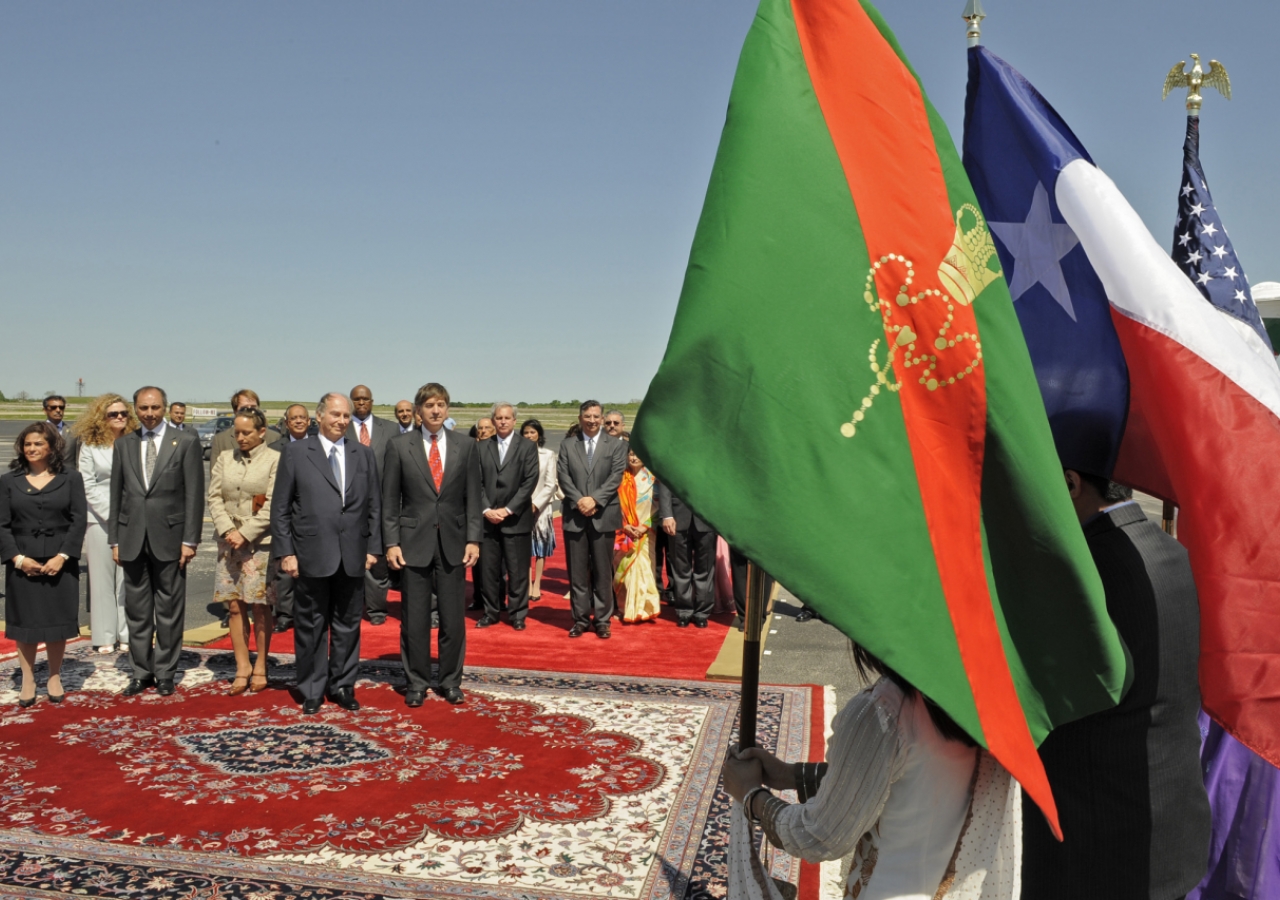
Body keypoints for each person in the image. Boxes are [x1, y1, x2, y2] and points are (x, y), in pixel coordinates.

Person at [1021, 472, 1211, 899]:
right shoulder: (1171, 551)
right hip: (1168, 828)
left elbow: (1043, 695)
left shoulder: (1087, 570)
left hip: (1098, 848)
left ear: (1070, 483)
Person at [722, 646, 1020, 900]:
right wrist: (791, 775)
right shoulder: (986, 695)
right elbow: (914, 781)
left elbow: (820, 835)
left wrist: (751, 796)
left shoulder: (882, 711)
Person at [271, 392, 380, 714]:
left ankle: (343, 685)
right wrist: (286, 552)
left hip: (353, 553)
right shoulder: (295, 452)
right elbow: (281, 508)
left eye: (346, 416)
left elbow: (374, 504)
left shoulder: (363, 454)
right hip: (310, 552)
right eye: (335, 415)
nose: (342, 421)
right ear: (320, 417)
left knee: (348, 624)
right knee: (311, 624)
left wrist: (373, 547)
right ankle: (312, 689)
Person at [383, 383, 482, 706]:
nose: (435, 411)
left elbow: (472, 497)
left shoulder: (465, 446)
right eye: (429, 406)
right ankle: (416, 682)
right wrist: (392, 542)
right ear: (418, 411)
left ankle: (450, 680)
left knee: (453, 619)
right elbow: (389, 501)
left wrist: (473, 538)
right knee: (415, 619)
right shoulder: (399, 446)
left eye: (440, 405)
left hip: (453, 543)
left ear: (447, 409)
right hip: (413, 543)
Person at [110, 386, 204, 697]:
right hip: (132, 537)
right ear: (135, 409)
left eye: (155, 408)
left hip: (171, 539)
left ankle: (165, 672)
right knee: (136, 610)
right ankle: (141, 672)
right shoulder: (124, 444)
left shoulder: (186, 442)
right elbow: (117, 495)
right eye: (143, 408)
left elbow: (194, 496)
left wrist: (190, 540)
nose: (149, 414)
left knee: (169, 609)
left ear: (164, 408)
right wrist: (114, 539)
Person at [0, 424, 88, 706]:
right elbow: (2, 525)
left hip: (60, 560)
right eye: (27, 444)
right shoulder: (8, 480)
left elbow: (78, 520)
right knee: (24, 622)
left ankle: (53, 675)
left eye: (38, 443)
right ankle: (27, 677)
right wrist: (18, 559)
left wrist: (62, 556)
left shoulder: (71, 478)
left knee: (56, 621)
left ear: (52, 446)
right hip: (22, 560)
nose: (32, 449)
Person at [208, 407, 280, 695]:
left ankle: (261, 665)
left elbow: (275, 504)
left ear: (261, 432)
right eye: (236, 432)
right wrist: (228, 530)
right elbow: (213, 496)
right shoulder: (225, 458)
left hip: (259, 544)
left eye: (246, 432)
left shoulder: (275, 460)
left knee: (260, 606)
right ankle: (242, 666)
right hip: (228, 544)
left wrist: (246, 533)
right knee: (234, 605)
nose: (240, 437)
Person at [557, 400, 627, 639]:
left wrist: (594, 500)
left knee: (602, 572)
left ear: (601, 417)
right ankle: (579, 619)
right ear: (580, 418)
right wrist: (580, 501)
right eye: (587, 416)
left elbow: (615, 477)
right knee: (577, 573)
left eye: (596, 416)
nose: (592, 420)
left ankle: (602, 620)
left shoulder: (616, 445)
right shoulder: (567, 445)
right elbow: (564, 477)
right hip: (575, 516)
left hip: (604, 515)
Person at [74, 394, 136, 652]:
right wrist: (111, 513)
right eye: (113, 414)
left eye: (123, 413)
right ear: (102, 417)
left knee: (127, 578)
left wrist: (127, 513)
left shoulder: (135, 442)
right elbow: (86, 483)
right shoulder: (90, 445)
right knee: (101, 579)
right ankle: (104, 636)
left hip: (131, 516)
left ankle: (126, 633)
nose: (119, 417)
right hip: (98, 519)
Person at [476, 403, 539, 631]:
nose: (502, 421)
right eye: (498, 418)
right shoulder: (482, 447)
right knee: (488, 571)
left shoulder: (526, 447)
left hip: (515, 519)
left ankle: (517, 614)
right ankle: (490, 612)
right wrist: (486, 509)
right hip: (488, 520)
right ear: (493, 421)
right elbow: (476, 482)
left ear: (514, 421)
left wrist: (508, 509)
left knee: (517, 571)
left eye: (507, 418)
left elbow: (529, 481)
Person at [347, 384, 397, 626]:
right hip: (349, 506)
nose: (361, 403)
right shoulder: (340, 429)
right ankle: (352, 607)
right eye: (357, 400)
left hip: (382, 505)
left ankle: (377, 610)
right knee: (349, 560)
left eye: (365, 399)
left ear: (372, 401)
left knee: (378, 561)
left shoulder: (390, 429)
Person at [272, 403, 312, 633]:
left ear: (309, 422)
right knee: (284, 569)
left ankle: (307, 611)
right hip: (284, 513)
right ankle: (285, 614)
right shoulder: (274, 448)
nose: (298, 421)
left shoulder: (318, 446)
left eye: (302, 418)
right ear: (286, 423)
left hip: (308, 515)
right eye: (293, 418)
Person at [656, 481, 716, 628]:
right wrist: (667, 515)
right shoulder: (674, 457)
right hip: (676, 517)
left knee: (705, 568)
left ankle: (702, 612)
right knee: (680, 567)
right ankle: (684, 611)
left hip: (707, 517)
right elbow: (665, 483)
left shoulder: (713, 458)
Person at [613, 447, 660, 624]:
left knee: (644, 570)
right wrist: (625, 526)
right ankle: (625, 608)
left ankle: (645, 608)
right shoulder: (620, 478)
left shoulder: (653, 479)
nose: (633, 457)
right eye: (631, 454)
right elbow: (614, 506)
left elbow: (659, 506)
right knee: (622, 570)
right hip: (623, 532)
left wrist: (645, 526)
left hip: (646, 533)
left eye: (637, 454)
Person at [521, 419, 559, 601]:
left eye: (532, 432)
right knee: (526, 546)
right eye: (526, 432)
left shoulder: (548, 454)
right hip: (521, 506)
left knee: (541, 546)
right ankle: (527, 583)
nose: (529, 436)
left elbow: (551, 483)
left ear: (539, 435)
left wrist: (536, 504)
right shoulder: (517, 454)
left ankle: (537, 584)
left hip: (542, 506)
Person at [209, 389, 282, 461]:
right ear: (235, 411)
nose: (249, 411)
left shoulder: (274, 438)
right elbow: (215, 471)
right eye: (244, 408)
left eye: (253, 407)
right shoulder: (221, 440)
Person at [43, 395, 80, 469]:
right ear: (45, 410)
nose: (58, 410)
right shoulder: (37, 431)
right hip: (44, 474)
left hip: (68, 475)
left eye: (61, 407)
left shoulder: (75, 431)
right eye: (53, 407)